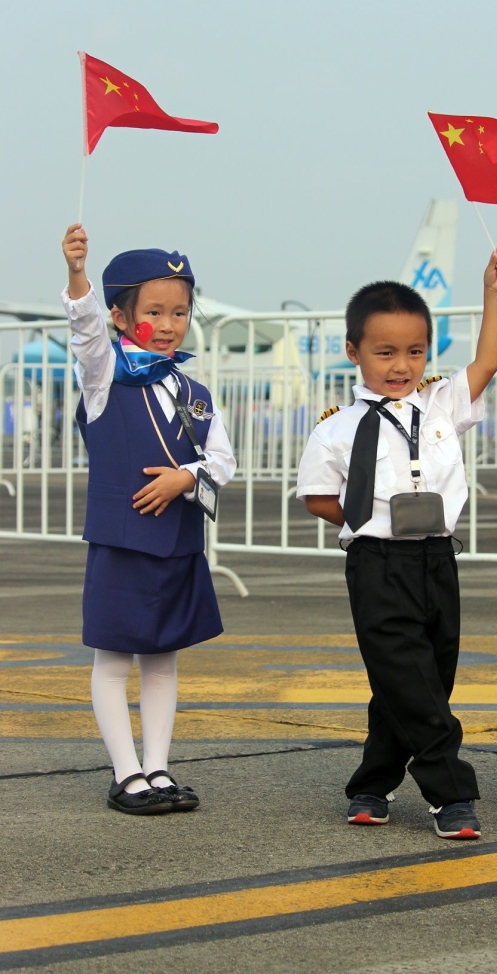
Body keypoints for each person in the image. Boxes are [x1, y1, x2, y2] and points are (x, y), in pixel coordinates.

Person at [296, 249, 497, 839]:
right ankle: (451, 792)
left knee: (426, 677)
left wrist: (494, 294)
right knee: (409, 678)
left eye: (414, 352)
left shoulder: (441, 403)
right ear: (354, 352)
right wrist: (369, 519)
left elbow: (489, 360)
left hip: (437, 558)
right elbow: (318, 498)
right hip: (377, 562)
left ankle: (372, 783)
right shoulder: (336, 427)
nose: (401, 365)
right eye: (385, 352)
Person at [61, 224, 236, 815]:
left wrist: (186, 477)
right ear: (119, 315)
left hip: (180, 541)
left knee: (164, 657)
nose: (168, 325)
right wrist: (78, 274)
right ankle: (125, 773)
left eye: (180, 311)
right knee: (113, 658)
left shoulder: (197, 392)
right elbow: (85, 331)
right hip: (122, 541)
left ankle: (158, 767)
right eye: (154, 311)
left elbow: (223, 462)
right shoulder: (103, 376)